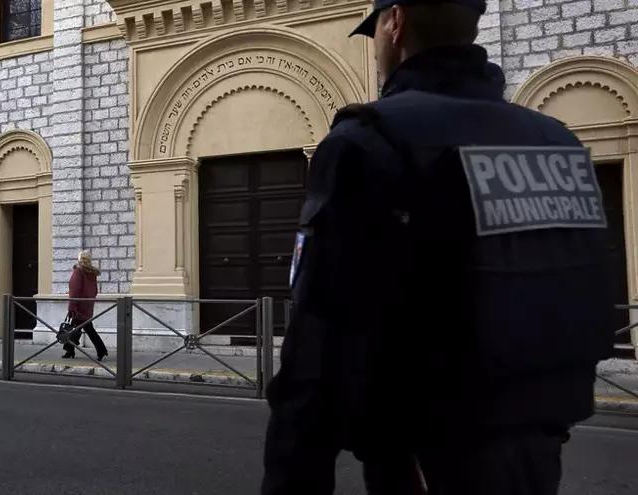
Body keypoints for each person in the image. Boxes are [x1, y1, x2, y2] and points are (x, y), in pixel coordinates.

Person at [262, 1, 615, 494]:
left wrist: (293, 477)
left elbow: (317, 340)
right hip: (541, 442)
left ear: (395, 22)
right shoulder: (555, 140)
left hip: (424, 451)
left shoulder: (372, 138)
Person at [63, 251, 109, 361]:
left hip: (78, 305)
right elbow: (94, 290)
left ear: (79, 259)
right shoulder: (91, 273)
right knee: (76, 327)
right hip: (87, 304)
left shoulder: (78, 271)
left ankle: (101, 350)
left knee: (85, 329)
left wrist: (71, 307)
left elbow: (75, 290)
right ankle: (69, 350)